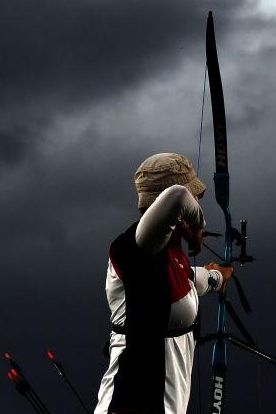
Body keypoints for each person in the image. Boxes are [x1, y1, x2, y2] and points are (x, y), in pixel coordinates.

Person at [94, 153, 233, 414]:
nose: (198, 200)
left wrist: (216, 277)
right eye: (196, 197)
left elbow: (192, 282)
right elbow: (178, 196)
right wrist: (196, 227)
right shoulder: (133, 249)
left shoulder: (169, 257)